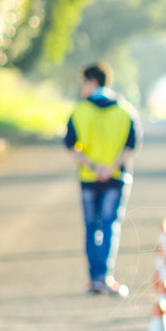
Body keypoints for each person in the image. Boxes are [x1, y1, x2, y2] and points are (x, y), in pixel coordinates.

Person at [64, 62, 142, 297]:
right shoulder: (125, 110)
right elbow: (133, 145)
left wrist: (93, 166)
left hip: (89, 178)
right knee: (109, 227)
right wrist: (111, 167)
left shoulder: (79, 111)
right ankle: (105, 276)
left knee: (90, 228)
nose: (82, 89)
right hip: (116, 178)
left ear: (93, 82)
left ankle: (93, 279)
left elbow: (70, 145)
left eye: (84, 83)